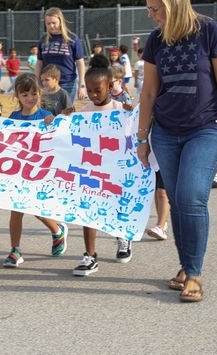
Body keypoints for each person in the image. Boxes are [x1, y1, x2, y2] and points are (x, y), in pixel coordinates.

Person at [137, 0, 217, 302]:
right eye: (149, 9)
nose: (152, 14)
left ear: (173, 4)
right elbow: (148, 93)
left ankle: (194, 273)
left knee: (190, 196)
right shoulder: (156, 39)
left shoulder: (209, 31)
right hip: (166, 132)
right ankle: (185, 266)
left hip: (207, 127)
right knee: (176, 197)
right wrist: (143, 138)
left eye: (156, 8)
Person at [69, 55, 133, 276]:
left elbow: (133, 132)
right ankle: (90, 255)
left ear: (109, 86)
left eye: (98, 90)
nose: (93, 95)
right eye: (89, 90)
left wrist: (131, 111)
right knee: (88, 210)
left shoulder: (121, 109)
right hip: (91, 170)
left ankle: (122, 235)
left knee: (116, 207)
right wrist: (65, 118)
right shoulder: (84, 112)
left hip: (115, 170)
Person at [2, 73, 68, 268]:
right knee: (16, 211)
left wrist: (55, 123)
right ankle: (15, 250)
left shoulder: (46, 117)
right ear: (17, 96)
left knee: (36, 209)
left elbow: (60, 139)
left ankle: (57, 230)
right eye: (25, 95)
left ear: (40, 93)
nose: (30, 98)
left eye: (34, 93)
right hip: (18, 170)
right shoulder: (13, 118)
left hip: (39, 171)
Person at [35, 7, 86, 104]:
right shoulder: (43, 39)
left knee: (65, 114)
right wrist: (37, 82)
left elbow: (80, 63)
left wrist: (81, 85)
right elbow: (39, 62)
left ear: (61, 21)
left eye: (54, 23)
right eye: (48, 23)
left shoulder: (72, 39)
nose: (51, 26)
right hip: (47, 83)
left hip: (67, 82)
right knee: (48, 113)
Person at [145, 171, 170, 240]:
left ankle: (160, 227)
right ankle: (162, 223)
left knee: (162, 191)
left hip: (170, 161)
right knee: (157, 190)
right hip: (156, 162)